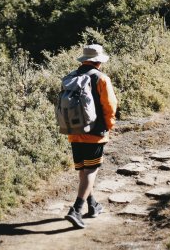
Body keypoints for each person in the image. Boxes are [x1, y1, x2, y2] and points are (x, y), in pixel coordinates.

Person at [65, 44, 118, 229]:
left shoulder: (71, 77)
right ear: (98, 61)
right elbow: (110, 106)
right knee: (91, 170)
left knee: (83, 169)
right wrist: (109, 126)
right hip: (95, 133)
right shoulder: (101, 78)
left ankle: (92, 205)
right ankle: (76, 210)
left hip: (73, 132)